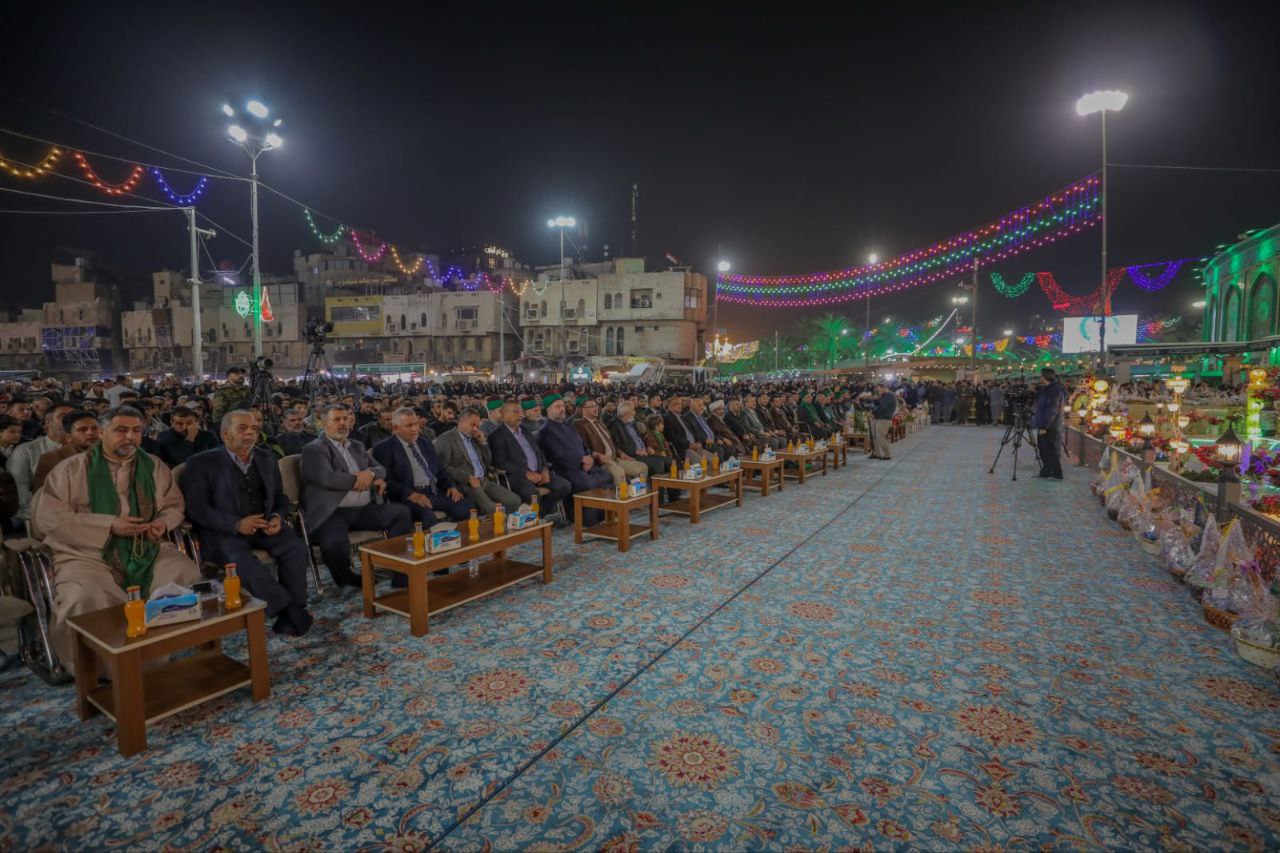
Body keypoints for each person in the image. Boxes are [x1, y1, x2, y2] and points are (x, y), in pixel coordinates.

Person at [35, 406, 199, 671]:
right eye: (121, 430)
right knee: (84, 596)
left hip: (146, 546)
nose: (130, 437)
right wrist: (109, 525)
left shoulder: (154, 466)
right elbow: (50, 519)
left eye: (136, 430)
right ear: (101, 432)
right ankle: (100, 669)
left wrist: (162, 523)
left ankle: (157, 653)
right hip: (86, 552)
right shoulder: (70, 470)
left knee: (183, 572)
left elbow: (173, 505)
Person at [181, 411, 314, 636]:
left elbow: (279, 498)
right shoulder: (201, 463)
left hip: (263, 524)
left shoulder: (266, 458)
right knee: (241, 561)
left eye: (254, 429)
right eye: (242, 428)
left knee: (294, 546)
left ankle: (296, 606)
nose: (250, 433)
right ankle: (288, 610)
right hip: (223, 531)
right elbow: (197, 509)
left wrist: (276, 517)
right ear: (225, 434)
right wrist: (236, 524)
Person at [300, 404, 411, 589]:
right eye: (337, 419)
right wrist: (358, 479)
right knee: (333, 543)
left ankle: (401, 573)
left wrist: (370, 474)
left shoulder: (357, 446)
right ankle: (346, 577)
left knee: (400, 513)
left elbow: (380, 469)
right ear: (324, 423)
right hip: (332, 511)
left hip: (363, 508)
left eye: (345, 419)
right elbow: (327, 479)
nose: (343, 423)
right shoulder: (314, 449)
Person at [371, 407, 473, 529]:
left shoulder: (425, 443)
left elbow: (440, 469)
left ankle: (459, 538)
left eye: (416, 424)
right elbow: (387, 480)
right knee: (427, 516)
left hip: (434, 491)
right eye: (409, 426)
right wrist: (411, 494)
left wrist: (451, 486)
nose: (415, 429)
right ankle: (439, 540)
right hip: (409, 496)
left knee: (466, 506)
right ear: (396, 428)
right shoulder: (383, 448)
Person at [489, 400, 571, 520]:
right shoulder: (497, 436)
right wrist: (526, 473)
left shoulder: (525, 430)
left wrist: (544, 469)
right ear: (504, 414)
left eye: (521, 412)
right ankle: (534, 517)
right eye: (516, 412)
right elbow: (500, 462)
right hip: (517, 475)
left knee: (564, 486)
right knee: (532, 494)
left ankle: (539, 514)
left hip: (538, 472)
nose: (521, 415)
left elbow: (539, 452)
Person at [433, 406, 520, 514]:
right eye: (473, 425)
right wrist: (467, 477)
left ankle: (506, 522)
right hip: (466, 484)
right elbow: (442, 467)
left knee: (514, 501)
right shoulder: (446, 438)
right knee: (491, 508)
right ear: (462, 421)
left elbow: (488, 462)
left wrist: (483, 443)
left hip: (483, 480)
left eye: (477, 426)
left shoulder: (475, 438)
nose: (475, 429)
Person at [536, 394, 611, 508]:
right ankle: (584, 516)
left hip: (585, 466)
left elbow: (584, 445)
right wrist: (581, 460)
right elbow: (558, 455)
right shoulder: (545, 431)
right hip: (567, 469)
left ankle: (605, 512)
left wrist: (589, 458)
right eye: (557, 407)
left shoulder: (568, 425)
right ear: (548, 410)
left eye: (563, 406)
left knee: (606, 476)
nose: (562, 409)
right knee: (589, 484)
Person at [7, 401, 75, 523]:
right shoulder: (26, 451)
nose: (71, 420)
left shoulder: (85, 450)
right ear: (48, 422)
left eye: (74, 416)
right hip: (36, 514)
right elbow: (19, 490)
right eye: (63, 416)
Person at [574, 398, 649, 486]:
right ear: (583, 409)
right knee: (619, 473)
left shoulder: (599, 422)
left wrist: (620, 452)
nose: (595, 408)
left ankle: (635, 491)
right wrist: (597, 455)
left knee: (642, 468)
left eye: (596, 406)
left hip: (615, 458)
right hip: (602, 461)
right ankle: (621, 494)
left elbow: (611, 442)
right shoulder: (580, 424)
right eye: (591, 406)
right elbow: (582, 447)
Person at [33, 410, 100, 491]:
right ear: (68, 437)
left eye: (95, 428)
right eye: (82, 430)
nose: (90, 433)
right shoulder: (51, 459)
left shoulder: (109, 455)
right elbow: (43, 493)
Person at [608, 401, 671, 478]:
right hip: (632, 454)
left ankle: (672, 485)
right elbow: (616, 445)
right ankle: (656, 486)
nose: (635, 413)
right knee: (658, 464)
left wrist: (647, 447)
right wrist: (635, 450)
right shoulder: (614, 425)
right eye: (633, 411)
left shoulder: (633, 423)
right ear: (626, 414)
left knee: (669, 461)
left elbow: (640, 439)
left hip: (644, 452)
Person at [154, 405, 220, 468]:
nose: (185, 427)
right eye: (180, 424)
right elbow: (181, 461)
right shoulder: (164, 436)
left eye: (189, 423)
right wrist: (190, 437)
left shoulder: (208, 435)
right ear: (172, 423)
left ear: (197, 422)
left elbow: (218, 456)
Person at [1032, 367, 1066, 480]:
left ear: (1045, 377)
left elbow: (1052, 409)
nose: (1040, 378)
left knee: (1050, 451)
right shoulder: (1047, 389)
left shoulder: (1054, 390)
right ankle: (1046, 473)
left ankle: (1056, 474)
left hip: (1050, 426)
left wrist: (1044, 426)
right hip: (1045, 424)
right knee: (1044, 450)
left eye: (1041, 376)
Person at [870, 382, 897, 460]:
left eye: (879, 390)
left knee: (880, 437)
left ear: (884, 388)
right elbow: (878, 404)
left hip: (885, 419)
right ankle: (877, 454)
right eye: (877, 390)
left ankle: (887, 455)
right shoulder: (884, 395)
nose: (878, 392)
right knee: (874, 436)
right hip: (878, 417)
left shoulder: (889, 396)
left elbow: (882, 407)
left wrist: (872, 412)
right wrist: (875, 400)